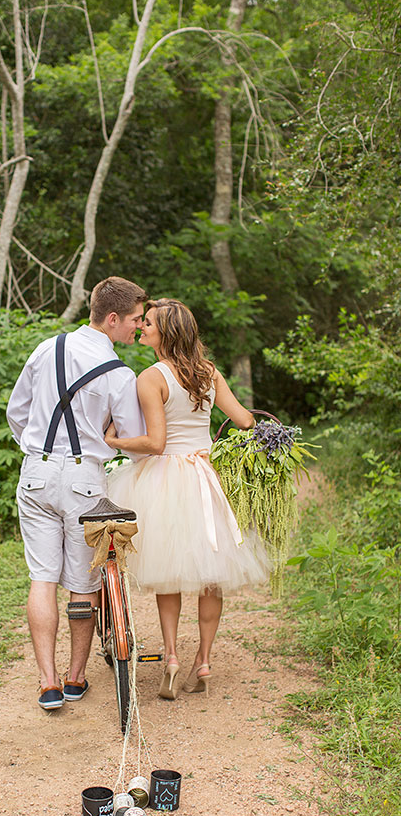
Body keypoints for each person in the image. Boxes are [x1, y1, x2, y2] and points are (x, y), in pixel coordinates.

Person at [105, 298, 270, 699]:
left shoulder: (151, 377)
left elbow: (156, 443)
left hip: (164, 478)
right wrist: (216, 447)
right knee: (211, 572)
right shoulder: (208, 373)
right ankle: (205, 659)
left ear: (167, 332)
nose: (142, 326)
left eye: (150, 323)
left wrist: (113, 440)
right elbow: (247, 421)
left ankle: (173, 655)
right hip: (205, 475)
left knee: (169, 568)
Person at [6, 276, 147, 712]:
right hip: (85, 478)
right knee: (83, 584)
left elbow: (17, 412)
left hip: (35, 472)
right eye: (135, 321)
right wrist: (102, 438)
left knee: (42, 578)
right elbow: (133, 435)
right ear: (111, 318)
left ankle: (47, 683)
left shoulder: (47, 348)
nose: (138, 329)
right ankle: (75, 677)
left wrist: (39, 452)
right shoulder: (120, 374)